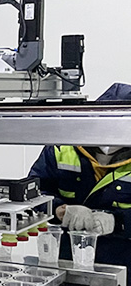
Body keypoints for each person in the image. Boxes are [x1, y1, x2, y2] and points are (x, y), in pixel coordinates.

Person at [29, 82, 131, 265]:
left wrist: (118, 221)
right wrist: (59, 210)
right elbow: (33, 193)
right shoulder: (62, 148)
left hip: (123, 265)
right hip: (67, 261)